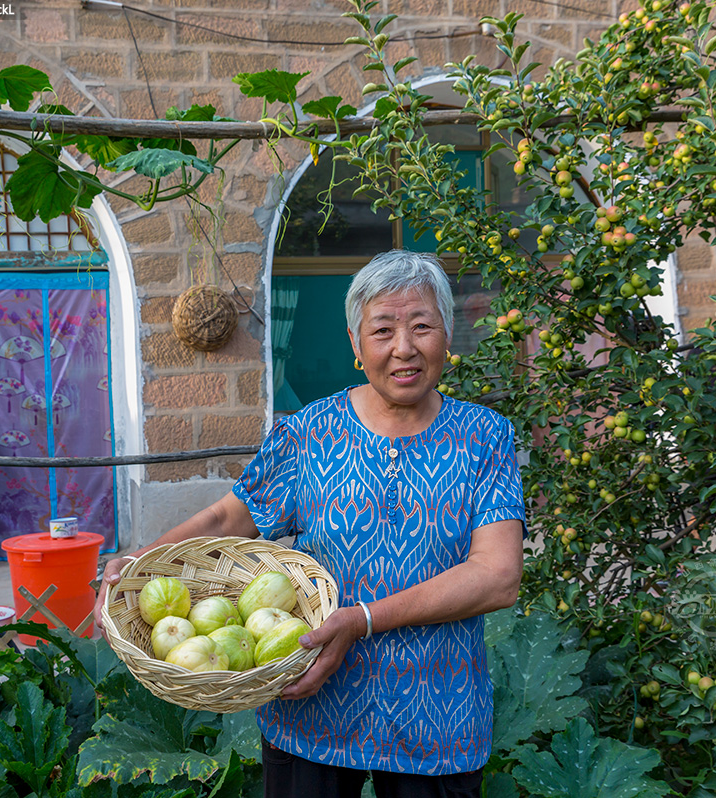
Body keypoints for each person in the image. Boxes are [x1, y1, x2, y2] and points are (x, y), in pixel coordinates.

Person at [95, 250, 526, 798]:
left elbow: (497, 574)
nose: (404, 348)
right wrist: (142, 560)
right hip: (310, 706)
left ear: (447, 335)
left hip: (435, 719)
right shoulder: (310, 431)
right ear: (355, 343)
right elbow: (235, 514)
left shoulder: (485, 436)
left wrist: (362, 619)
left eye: (422, 327)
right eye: (383, 330)